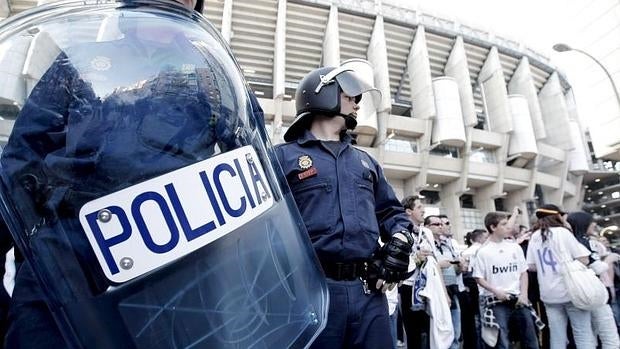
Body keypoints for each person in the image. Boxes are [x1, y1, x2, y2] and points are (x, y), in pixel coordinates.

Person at [0, 0, 329, 347]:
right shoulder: (80, 59)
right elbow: (20, 161)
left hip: (182, 272)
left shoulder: (210, 69)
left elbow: (254, 160)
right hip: (71, 261)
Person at [274, 65, 414, 348]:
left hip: (367, 294)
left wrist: (400, 240)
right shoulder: (282, 159)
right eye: (349, 94)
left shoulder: (365, 161)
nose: (357, 102)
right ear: (322, 94)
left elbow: (392, 212)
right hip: (311, 293)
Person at [525, 204, 596, 349]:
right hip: (571, 290)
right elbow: (584, 258)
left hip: (548, 293)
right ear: (557, 216)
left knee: (557, 337)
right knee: (582, 334)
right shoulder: (562, 232)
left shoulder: (535, 236)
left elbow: (531, 266)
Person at [471, 208, 539, 349]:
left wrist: (524, 294)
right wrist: (496, 291)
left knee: (530, 337)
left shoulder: (514, 247)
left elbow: (523, 272)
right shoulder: (483, 251)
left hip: (519, 299)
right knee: (502, 341)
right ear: (493, 227)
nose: (508, 227)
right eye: (503, 224)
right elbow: (478, 277)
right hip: (496, 301)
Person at [567, 211, 620, 349]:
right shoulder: (587, 242)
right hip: (594, 292)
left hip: (575, 294)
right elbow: (597, 268)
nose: (594, 224)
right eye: (591, 222)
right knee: (609, 336)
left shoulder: (567, 242)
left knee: (583, 337)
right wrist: (609, 260)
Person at [399, 195, 435, 349]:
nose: (424, 210)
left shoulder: (427, 233)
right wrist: (415, 259)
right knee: (412, 333)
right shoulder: (400, 231)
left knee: (429, 330)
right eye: (419, 207)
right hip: (408, 287)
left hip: (427, 287)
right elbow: (398, 261)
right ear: (408, 211)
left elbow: (433, 258)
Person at [426, 215, 461, 349]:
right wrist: (439, 265)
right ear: (427, 227)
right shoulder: (426, 245)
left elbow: (456, 270)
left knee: (456, 331)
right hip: (438, 292)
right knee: (441, 334)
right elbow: (426, 268)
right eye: (436, 224)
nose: (441, 226)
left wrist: (459, 266)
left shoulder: (447, 244)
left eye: (441, 224)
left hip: (453, 289)